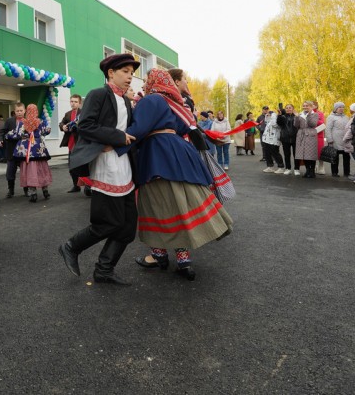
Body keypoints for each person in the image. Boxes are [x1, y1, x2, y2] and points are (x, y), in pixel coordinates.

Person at [128, 69, 233, 280]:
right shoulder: (176, 104)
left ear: (153, 82)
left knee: (156, 205)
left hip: (157, 155)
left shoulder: (151, 100)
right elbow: (191, 130)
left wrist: (116, 144)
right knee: (180, 205)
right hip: (180, 153)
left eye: (148, 80)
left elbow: (138, 129)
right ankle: (184, 261)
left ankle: (158, 256)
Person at [58, 53, 139, 286]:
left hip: (124, 164)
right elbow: (85, 125)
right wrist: (116, 137)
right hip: (106, 165)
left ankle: (104, 270)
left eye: (132, 73)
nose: (129, 77)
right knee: (108, 222)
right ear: (110, 73)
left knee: (127, 226)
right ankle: (70, 246)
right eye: (125, 72)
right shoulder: (98, 94)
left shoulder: (125, 100)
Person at [10, 103, 52, 202]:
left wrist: (9, 135)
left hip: (26, 150)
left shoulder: (22, 122)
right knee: (41, 169)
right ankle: (45, 191)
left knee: (29, 170)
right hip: (39, 150)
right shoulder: (40, 121)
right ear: (36, 111)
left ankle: (33, 193)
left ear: (27, 111)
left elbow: (18, 134)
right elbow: (45, 131)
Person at [60, 94, 83, 192]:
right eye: (71, 101)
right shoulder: (67, 114)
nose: (73, 103)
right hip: (71, 144)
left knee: (83, 166)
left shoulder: (84, 113)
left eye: (75, 102)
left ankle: (88, 187)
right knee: (71, 167)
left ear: (80, 103)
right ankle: (76, 186)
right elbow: (61, 123)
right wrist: (63, 127)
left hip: (81, 144)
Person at [2, 103, 26, 198]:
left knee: (25, 172)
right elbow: (3, 132)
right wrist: (1, 139)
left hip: (23, 152)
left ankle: (26, 190)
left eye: (21, 110)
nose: (19, 113)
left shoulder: (27, 121)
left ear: (24, 111)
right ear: (14, 111)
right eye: (17, 111)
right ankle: (10, 191)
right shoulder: (9, 121)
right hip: (11, 151)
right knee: (10, 173)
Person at [294, 101, 320, 178]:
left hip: (310, 135)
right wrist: (296, 117)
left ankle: (312, 171)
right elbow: (296, 125)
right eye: (304, 106)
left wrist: (308, 115)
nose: (305, 107)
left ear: (311, 107)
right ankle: (307, 170)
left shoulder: (315, 114)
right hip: (301, 135)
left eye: (307, 106)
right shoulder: (301, 114)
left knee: (311, 154)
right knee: (303, 154)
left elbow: (313, 124)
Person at [325, 102, 350, 178]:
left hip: (345, 139)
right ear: (335, 109)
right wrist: (329, 139)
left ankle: (347, 173)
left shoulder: (346, 117)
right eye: (339, 107)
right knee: (335, 157)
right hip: (335, 139)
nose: (341, 109)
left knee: (346, 157)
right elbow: (328, 129)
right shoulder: (331, 117)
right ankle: (335, 172)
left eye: (343, 107)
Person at [276, 104, 299, 175]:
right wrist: (279, 115)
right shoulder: (282, 117)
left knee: (296, 154)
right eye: (287, 108)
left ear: (293, 109)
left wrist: (297, 116)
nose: (288, 109)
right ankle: (288, 168)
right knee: (286, 154)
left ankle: (296, 169)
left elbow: (300, 124)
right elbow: (279, 123)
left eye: (290, 108)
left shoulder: (296, 116)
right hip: (285, 138)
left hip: (295, 138)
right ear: (285, 109)